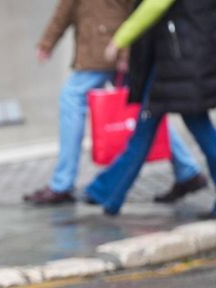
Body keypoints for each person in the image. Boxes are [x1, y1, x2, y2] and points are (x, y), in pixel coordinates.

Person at [23, 0, 207, 206]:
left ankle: (67, 185)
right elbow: (67, 7)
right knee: (149, 113)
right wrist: (48, 42)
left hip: (111, 47)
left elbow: (144, 6)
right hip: (107, 45)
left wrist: (124, 47)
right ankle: (187, 171)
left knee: (78, 98)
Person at [84, 0, 216, 217]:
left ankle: (106, 193)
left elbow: (155, 4)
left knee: (152, 132)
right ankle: (107, 193)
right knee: (158, 130)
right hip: (180, 61)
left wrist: (119, 40)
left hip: (178, 63)